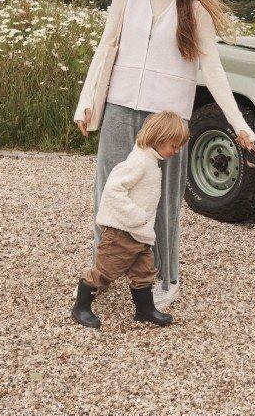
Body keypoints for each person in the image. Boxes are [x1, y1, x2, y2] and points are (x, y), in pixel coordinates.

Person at [73, 0, 255, 308]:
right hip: (121, 105)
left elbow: (214, 69)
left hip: (167, 119)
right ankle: (100, 271)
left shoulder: (195, 8)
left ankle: (165, 277)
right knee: (108, 191)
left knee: (163, 199)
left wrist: (239, 124)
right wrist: (87, 100)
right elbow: (106, 48)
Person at [72, 111, 190, 329]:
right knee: (105, 271)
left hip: (139, 233)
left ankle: (145, 310)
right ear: (159, 138)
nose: (176, 151)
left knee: (144, 272)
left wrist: (142, 224)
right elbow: (114, 190)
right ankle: (81, 307)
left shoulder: (151, 161)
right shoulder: (139, 162)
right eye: (173, 146)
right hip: (122, 232)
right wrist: (136, 216)